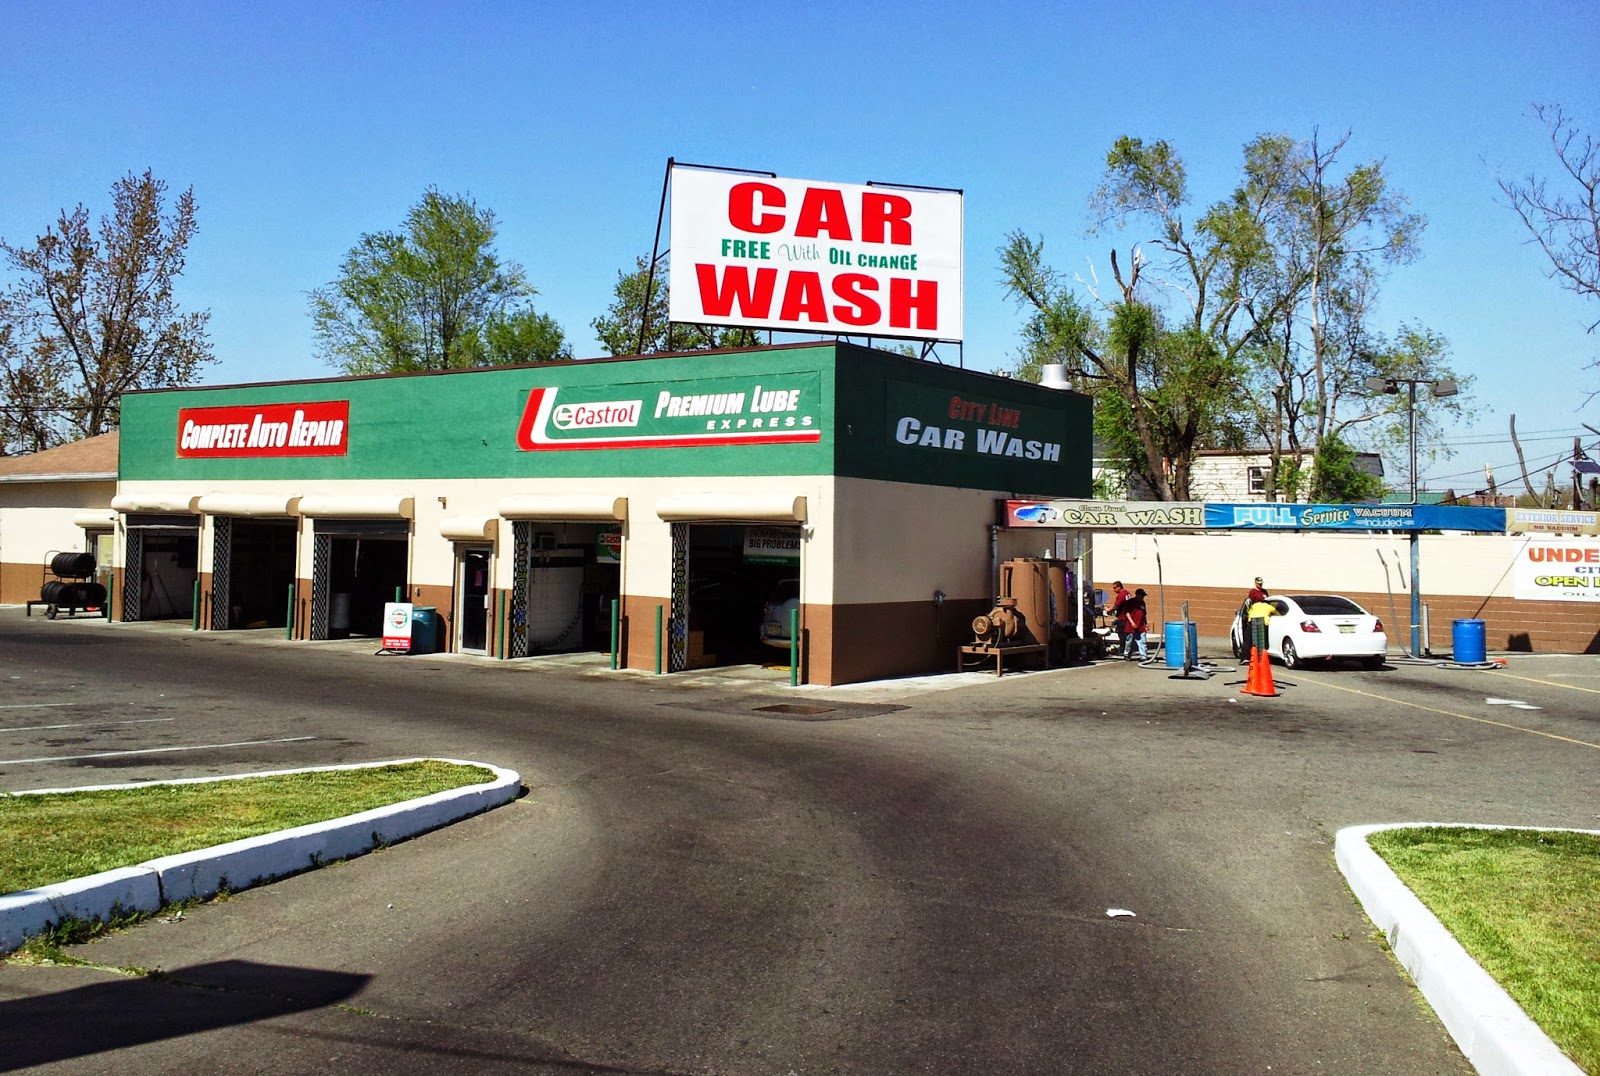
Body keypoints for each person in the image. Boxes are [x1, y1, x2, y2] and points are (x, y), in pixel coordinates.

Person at [1120, 588, 1149, 661]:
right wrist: (1132, 622)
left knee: (1142, 641)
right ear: (1137, 595)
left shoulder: (1143, 603)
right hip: (1131, 626)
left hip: (1140, 625)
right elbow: (1127, 612)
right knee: (1129, 641)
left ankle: (1143, 656)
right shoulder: (1130, 602)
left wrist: (1146, 624)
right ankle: (1126, 654)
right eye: (1141, 596)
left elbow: (1144, 614)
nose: (1142, 597)